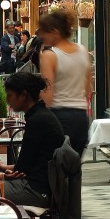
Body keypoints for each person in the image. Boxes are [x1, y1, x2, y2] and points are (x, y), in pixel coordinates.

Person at [0, 72, 66, 208]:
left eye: (10, 95)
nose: (7, 100)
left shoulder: (37, 120)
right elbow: (25, 165)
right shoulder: (41, 115)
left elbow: (22, 167)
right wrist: (4, 168)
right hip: (41, 185)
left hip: (37, 190)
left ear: (24, 95)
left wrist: (5, 171)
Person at [39, 9, 91, 156]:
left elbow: (47, 93)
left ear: (55, 31)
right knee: (74, 166)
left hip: (58, 116)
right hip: (80, 116)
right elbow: (87, 88)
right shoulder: (83, 51)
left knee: (55, 168)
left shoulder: (49, 55)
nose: (42, 36)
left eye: (44, 32)